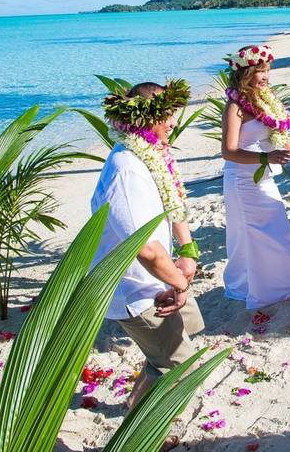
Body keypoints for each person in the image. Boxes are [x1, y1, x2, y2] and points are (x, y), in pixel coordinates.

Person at [91, 79, 203, 419]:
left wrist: (188, 249)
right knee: (180, 367)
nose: (173, 122)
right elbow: (147, 251)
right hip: (136, 290)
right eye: (167, 115)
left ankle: (134, 403)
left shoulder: (154, 153)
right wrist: (180, 285)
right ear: (144, 117)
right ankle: (144, 430)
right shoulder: (125, 170)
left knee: (190, 330)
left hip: (161, 278)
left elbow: (174, 204)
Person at [221, 45, 290, 309]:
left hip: (263, 176)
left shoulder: (264, 99)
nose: (266, 76)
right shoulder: (235, 107)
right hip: (242, 179)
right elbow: (228, 151)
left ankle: (277, 283)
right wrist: (266, 159)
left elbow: (270, 134)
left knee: (274, 229)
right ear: (245, 73)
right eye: (260, 71)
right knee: (257, 233)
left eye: (268, 70)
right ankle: (264, 288)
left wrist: (288, 146)